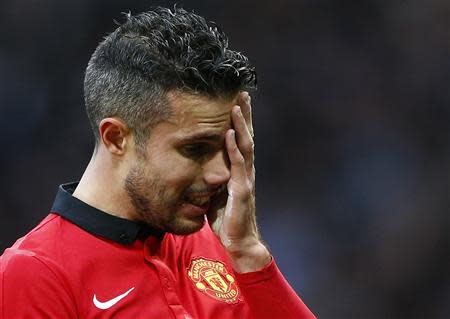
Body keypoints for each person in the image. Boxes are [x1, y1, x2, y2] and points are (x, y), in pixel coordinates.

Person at [0, 7, 315, 319]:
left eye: (226, 147)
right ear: (116, 138)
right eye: (194, 149)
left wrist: (248, 253)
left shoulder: (220, 244)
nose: (221, 173)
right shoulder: (36, 274)